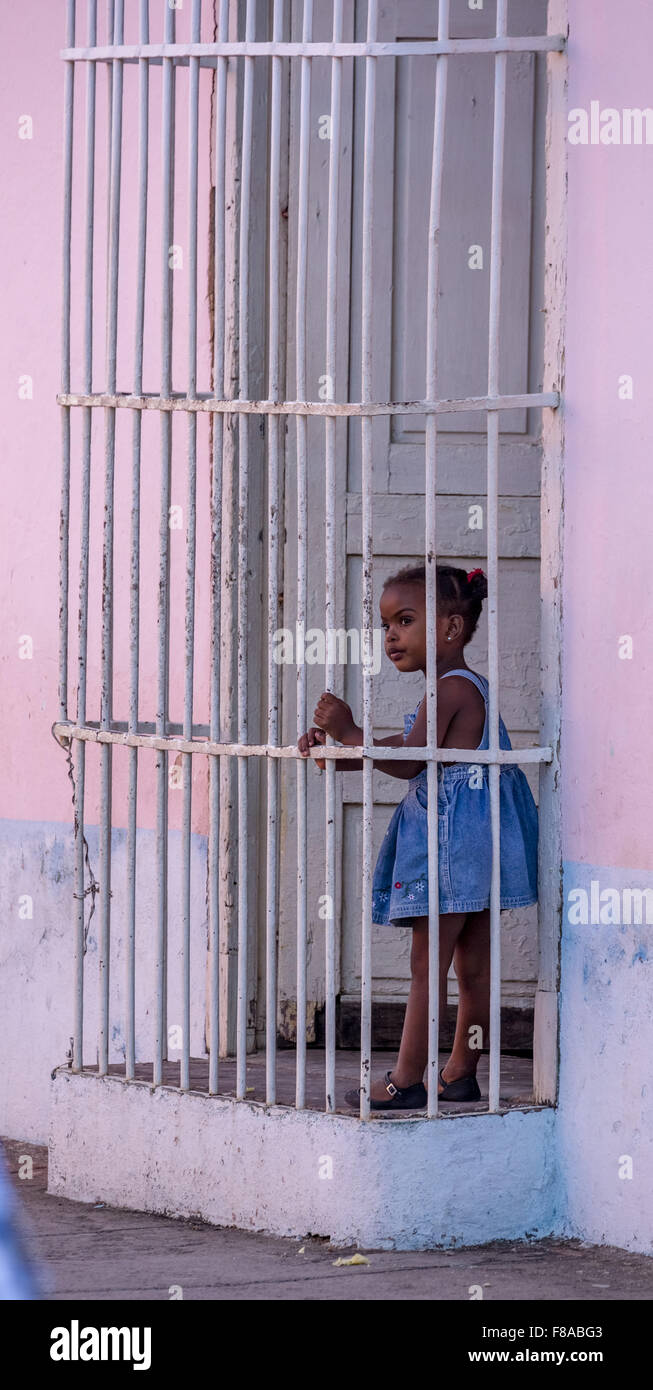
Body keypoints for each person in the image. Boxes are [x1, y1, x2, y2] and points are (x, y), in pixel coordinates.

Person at [297, 563, 538, 1110]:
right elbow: (415, 748)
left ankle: (405, 1080)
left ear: (451, 628)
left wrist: (350, 731)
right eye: (385, 625)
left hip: (450, 851)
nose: (391, 637)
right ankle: (460, 1073)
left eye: (405, 621)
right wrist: (343, 752)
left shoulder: (450, 689)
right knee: (471, 969)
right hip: (480, 848)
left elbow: (409, 762)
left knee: (426, 966)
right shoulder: (462, 687)